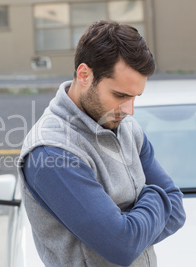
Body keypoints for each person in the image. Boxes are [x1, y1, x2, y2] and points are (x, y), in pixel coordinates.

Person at [17, 20, 186, 266]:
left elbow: (177, 210)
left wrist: (132, 226)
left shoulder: (127, 127)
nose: (130, 110)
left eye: (135, 97)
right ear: (84, 75)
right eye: (120, 95)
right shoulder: (51, 151)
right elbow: (122, 246)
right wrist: (157, 197)